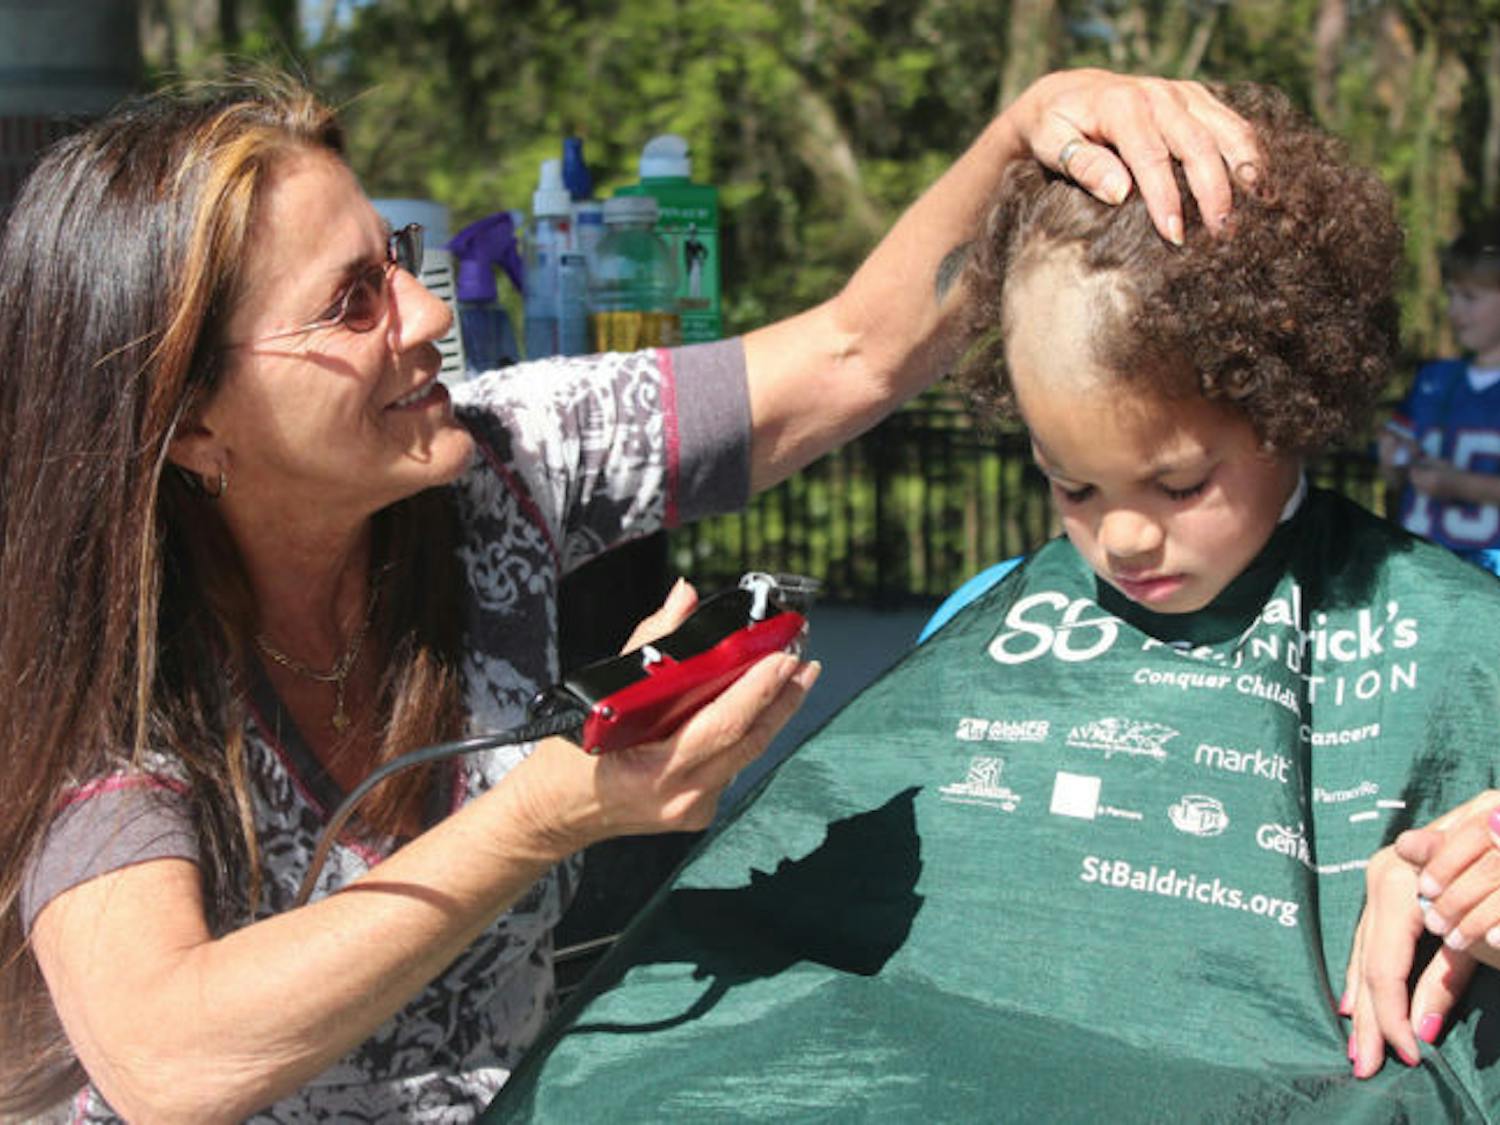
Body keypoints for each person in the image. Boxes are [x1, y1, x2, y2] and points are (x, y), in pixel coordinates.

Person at [0, 68, 1254, 1122]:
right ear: (191, 424)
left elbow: (852, 355)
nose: (430, 313)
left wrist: (1026, 127)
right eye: (352, 303)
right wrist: (547, 813)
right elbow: (168, 1055)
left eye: (399, 260)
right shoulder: (108, 654)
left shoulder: (497, 458)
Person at [488, 83, 1500, 1121]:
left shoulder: (1458, 632)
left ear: (1293, 402)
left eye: (1181, 484)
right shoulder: (986, 616)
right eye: (1072, 484)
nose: (1124, 538)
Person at [1377, 219, 1500, 566]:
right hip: (1425, 572)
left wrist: (1460, 486)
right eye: (1451, 295)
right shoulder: (1436, 380)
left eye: (1470, 297)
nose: (1453, 310)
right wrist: (1394, 459)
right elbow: (1395, 477)